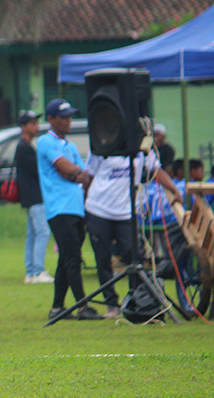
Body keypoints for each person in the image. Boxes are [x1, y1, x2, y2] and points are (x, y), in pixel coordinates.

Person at [84, 151, 183, 318]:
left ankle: (137, 301)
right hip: (98, 209)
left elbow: (156, 170)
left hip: (126, 212)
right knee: (103, 259)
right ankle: (112, 305)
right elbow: (89, 177)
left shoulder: (142, 146)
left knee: (134, 255)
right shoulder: (102, 144)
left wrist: (173, 189)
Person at [37, 99, 102, 321]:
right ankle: (83, 306)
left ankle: (57, 308)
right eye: (63, 117)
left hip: (77, 208)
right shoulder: (45, 142)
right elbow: (65, 168)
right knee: (73, 257)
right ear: (51, 119)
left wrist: (74, 173)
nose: (68, 121)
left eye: (69, 117)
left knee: (65, 259)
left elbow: (83, 175)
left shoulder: (71, 146)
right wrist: (75, 173)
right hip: (59, 208)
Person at [15, 110, 52, 284]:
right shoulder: (25, 147)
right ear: (23, 126)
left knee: (33, 233)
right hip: (35, 196)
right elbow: (39, 172)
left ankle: (31, 271)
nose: (36, 127)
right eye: (32, 123)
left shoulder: (25, 146)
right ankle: (37, 271)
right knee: (43, 232)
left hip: (29, 197)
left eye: (36, 123)